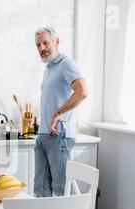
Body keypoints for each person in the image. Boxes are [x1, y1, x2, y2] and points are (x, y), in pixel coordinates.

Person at [33, 27, 88, 197]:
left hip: (59, 136)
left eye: (45, 43)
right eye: (38, 45)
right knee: (40, 189)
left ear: (56, 42)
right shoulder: (48, 68)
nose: (42, 48)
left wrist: (58, 112)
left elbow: (82, 91)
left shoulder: (66, 64)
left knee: (61, 188)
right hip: (43, 135)